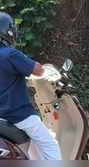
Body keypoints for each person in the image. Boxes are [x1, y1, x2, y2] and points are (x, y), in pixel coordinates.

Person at [0, 12, 62, 160]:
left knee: (34, 148)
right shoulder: (10, 54)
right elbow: (38, 70)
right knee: (50, 145)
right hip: (19, 115)